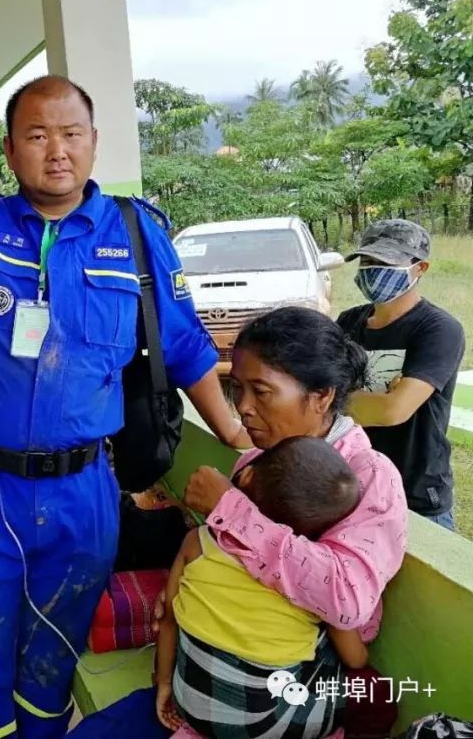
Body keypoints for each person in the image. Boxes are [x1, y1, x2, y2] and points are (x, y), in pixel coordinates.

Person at [0, 25, 248, 737]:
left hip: (83, 493)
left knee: (54, 656)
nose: (56, 149)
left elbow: (183, 349)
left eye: (71, 133)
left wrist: (244, 444)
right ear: (9, 151)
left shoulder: (136, 232)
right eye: (36, 135)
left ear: (94, 141)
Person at [174, 307, 409, 739]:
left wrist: (229, 508)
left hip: (292, 676)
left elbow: (345, 599)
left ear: (321, 396)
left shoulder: (368, 476)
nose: (242, 409)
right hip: (226, 662)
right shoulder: (257, 460)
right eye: (237, 389)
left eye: (261, 392)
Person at [156, 436, 366, 738]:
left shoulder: (197, 543)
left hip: (191, 706)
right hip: (268, 726)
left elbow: (166, 619)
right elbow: (356, 658)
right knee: (347, 674)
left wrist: (165, 685)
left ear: (248, 475)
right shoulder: (311, 579)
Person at [337, 220, 466, 530]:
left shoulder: (439, 330)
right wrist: (372, 400)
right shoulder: (348, 322)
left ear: (420, 268)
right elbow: (317, 386)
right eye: (368, 261)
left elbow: (393, 410)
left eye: (386, 262)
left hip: (417, 494)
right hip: (354, 486)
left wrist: (332, 401)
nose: (372, 270)